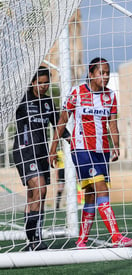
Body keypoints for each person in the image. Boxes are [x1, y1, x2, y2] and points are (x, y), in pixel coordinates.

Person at [49, 57, 132, 248]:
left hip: (101, 151)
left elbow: (112, 124)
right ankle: (116, 237)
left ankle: (82, 239)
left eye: (107, 73)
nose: (105, 77)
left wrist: (116, 146)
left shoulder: (110, 96)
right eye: (101, 73)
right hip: (81, 149)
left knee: (91, 194)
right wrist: (52, 148)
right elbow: (62, 121)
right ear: (91, 74)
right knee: (101, 189)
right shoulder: (77, 93)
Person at [13, 66, 70, 251]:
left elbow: (58, 125)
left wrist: (73, 141)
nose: (44, 86)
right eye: (40, 83)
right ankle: (35, 239)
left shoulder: (47, 102)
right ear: (32, 82)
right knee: (41, 189)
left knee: (35, 196)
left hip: (42, 154)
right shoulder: (21, 100)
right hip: (24, 152)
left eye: (47, 82)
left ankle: (31, 240)